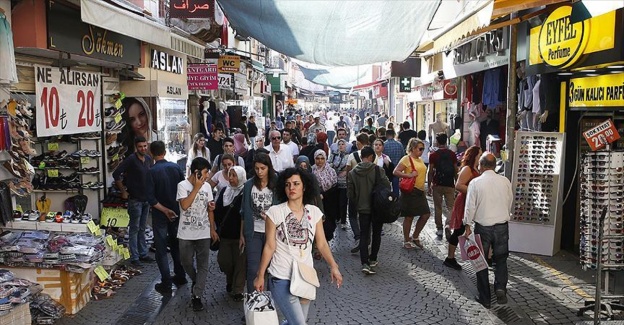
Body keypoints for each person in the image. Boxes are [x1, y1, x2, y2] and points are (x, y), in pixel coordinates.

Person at [253, 168, 342, 325]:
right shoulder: (274, 212)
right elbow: (269, 246)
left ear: (305, 187)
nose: (291, 188)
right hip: (280, 278)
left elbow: (321, 243)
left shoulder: (314, 212)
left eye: (296, 184)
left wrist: (333, 266)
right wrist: (260, 275)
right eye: (287, 185)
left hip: (305, 277)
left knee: (294, 322)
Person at [464, 152, 512, 309]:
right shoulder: (505, 181)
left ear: (483, 166)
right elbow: (509, 201)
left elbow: (470, 206)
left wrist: (467, 226)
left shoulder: (476, 182)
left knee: (481, 262)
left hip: (483, 226)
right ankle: (500, 287)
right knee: (501, 259)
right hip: (501, 225)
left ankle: (485, 298)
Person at [147, 141, 187, 294]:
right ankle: (180, 274)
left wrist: (164, 210)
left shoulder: (152, 171)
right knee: (176, 245)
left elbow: (151, 198)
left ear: (152, 153)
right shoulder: (175, 167)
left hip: (160, 214)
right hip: (176, 212)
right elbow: (183, 190)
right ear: (164, 151)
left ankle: (166, 281)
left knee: (161, 248)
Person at [176, 157, 216, 312]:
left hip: (203, 232)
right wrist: (196, 188)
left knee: (203, 265)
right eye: (205, 172)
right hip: (185, 233)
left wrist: (212, 229)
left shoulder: (207, 187)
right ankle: (196, 281)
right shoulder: (182, 185)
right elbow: (184, 206)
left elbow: (209, 210)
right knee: (185, 262)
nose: (207, 176)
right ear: (197, 172)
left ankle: (197, 296)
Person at [112, 136, 155, 266]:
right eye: (141, 146)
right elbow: (116, 174)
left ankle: (143, 253)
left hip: (146, 199)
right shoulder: (131, 159)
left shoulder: (148, 159)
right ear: (136, 147)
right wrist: (123, 190)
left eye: (145, 146)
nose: (143, 148)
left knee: (142, 227)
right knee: (134, 228)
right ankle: (134, 256)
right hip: (135, 199)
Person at [348, 146, 391, 275]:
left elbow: (351, 194)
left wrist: (357, 204)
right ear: (372, 157)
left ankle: (364, 262)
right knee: (376, 234)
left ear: (362, 157)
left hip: (362, 208)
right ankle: (373, 259)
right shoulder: (378, 170)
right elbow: (387, 186)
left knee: (364, 235)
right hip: (377, 208)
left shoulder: (352, 173)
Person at [240, 153, 279, 294]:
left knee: (271, 269)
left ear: (269, 167)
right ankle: (253, 302)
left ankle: (268, 303)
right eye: (256, 168)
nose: (260, 172)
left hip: (273, 232)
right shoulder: (249, 185)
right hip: (253, 231)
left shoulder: (276, 184)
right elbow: (244, 211)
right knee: (252, 269)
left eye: (263, 168)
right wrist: (242, 234)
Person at [444, 146, 481, 270]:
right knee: (459, 229)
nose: (480, 157)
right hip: (464, 201)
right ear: (474, 155)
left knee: (463, 229)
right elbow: (458, 185)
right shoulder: (468, 169)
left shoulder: (475, 168)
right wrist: (473, 192)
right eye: (479, 155)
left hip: (470, 202)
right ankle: (450, 258)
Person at [214, 166, 246, 302]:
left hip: (240, 236)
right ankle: (230, 278)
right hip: (225, 235)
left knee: (240, 264)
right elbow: (218, 211)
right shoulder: (224, 192)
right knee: (224, 261)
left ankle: (238, 289)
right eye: (230, 175)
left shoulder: (245, 193)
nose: (231, 178)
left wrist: (243, 234)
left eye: (234, 175)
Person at [393, 138, 430, 250]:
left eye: (423, 149)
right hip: (410, 191)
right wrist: (409, 175)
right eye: (420, 149)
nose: (422, 151)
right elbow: (395, 172)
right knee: (409, 217)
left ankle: (415, 236)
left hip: (420, 191)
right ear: (413, 149)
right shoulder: (406, 159)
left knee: (425, 214)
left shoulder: (419, 159)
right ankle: (406, 240)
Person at [427, 133, 458, 239]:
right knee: (451, 207)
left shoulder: (433, 155)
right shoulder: (452, 154)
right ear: (446, 141)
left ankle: (439, 229)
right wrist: (456, 182)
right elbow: (455, 169)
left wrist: (429, 184)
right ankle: (448, 225)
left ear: (437, 142)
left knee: (438, 207)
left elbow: (430, 171)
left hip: (437, 184)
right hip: (450, 184)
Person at [345, 133, 370, 253]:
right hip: (368, 190)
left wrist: (348, 189)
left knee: (353, 215)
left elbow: (348, 173)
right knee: (366, 215)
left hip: (355, 190)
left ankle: (358, 236)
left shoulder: (351, 156)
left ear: (359, 142)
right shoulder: (372, 156)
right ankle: (367, 238)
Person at [312, 150, 338, 242]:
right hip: (316, 202)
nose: (320, 161)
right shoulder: (312, 171)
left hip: (330, 201)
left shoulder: (331, 171)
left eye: (322, 158)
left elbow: (335, 186)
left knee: (328, 225)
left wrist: (324, 194)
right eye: (317, 158)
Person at [328, 139, 350, 230]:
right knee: (335, 201)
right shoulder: (333, 155)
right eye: (339, 144)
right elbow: (329, 164)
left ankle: (343, 221)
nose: (341, 146)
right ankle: (337, 217)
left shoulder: (349, 156)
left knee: (343, 202)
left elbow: (348, 166)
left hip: (344, 182)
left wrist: (346, 170)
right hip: (334, 181)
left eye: (343, 144)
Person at [383, 129, 404, 196]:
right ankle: (396, 200)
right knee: (396, 186)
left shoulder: (384, 145)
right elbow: (403, 156)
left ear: (386, 135)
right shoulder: (399, 144)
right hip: (397, 168)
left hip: (387, 168)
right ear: (394, 135)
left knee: (386, 186)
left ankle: (387, 200)